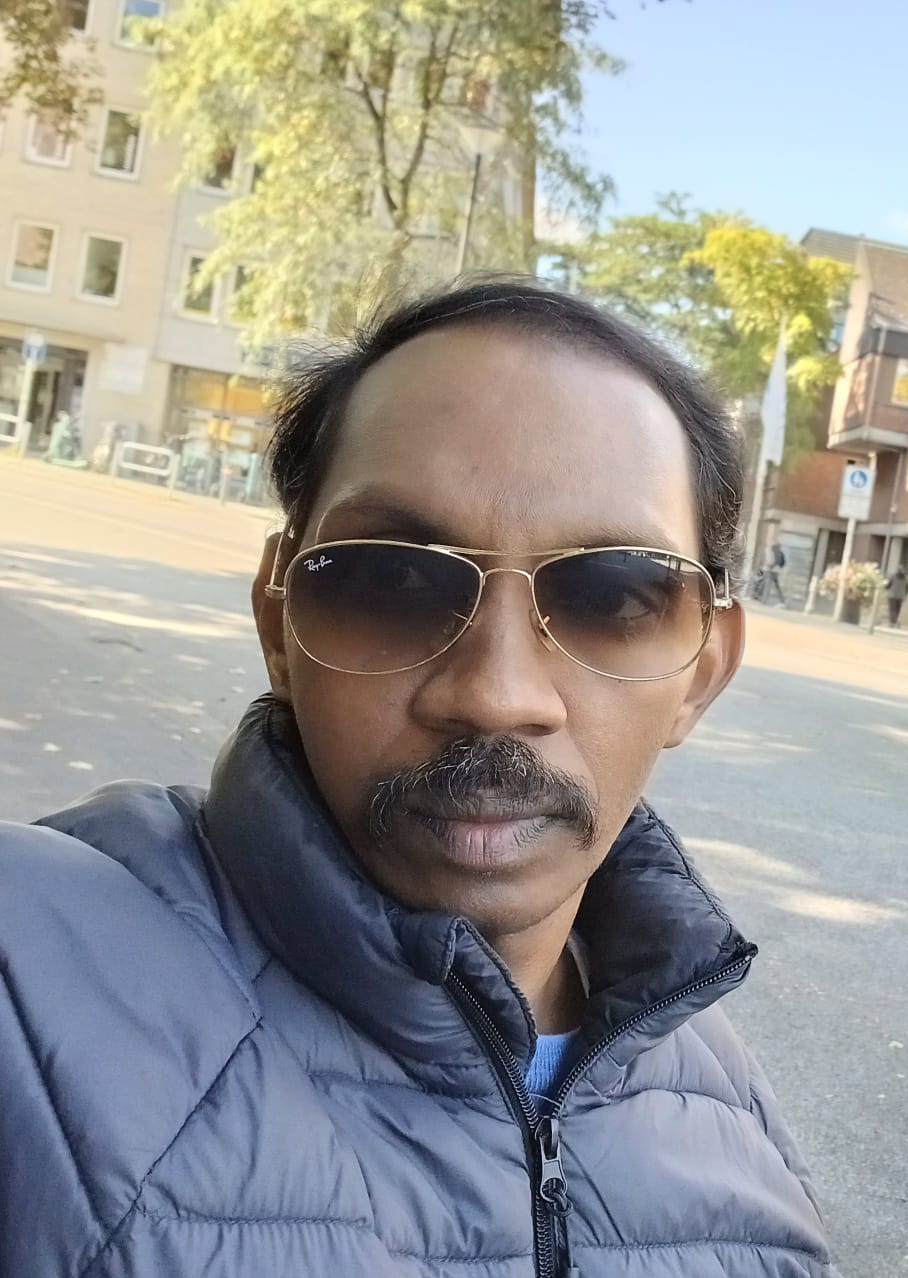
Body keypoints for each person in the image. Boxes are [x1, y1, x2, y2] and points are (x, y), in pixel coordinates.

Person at [0, 282, 834, 1277]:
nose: (496, 695)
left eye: (613, 595)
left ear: (703, 670)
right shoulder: (32, 973)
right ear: (278, 622)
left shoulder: (740, 1134)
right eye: (390, 578)